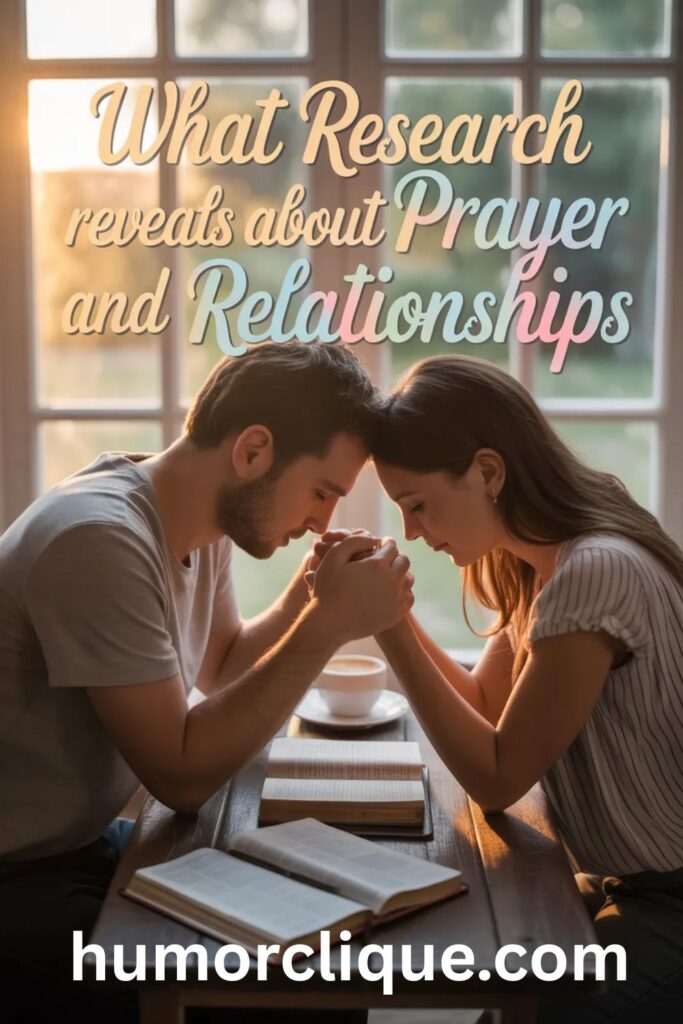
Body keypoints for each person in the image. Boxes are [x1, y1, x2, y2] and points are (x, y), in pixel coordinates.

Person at [0, 341, 413, 1024]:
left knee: (319, 963)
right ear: (252, 450)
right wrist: (326, 626)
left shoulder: (197, 520)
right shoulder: (97, 540)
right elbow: (182, 777)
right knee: (278, 995)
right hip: (19, 874)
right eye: (321, 492)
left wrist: (310, 599)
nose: (321, 520)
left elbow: (221, 660)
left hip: (76, 845)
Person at [360, 353, 683, 1023]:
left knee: (516, 1004)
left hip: (670, 902)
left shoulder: (593, 571)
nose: (413, 533)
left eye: (417, 506)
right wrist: (393, 608)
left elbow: (498, 776)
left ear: (486, 471)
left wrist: (388, 627)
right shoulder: (541, 566)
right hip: (630, 885)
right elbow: (486, 708)